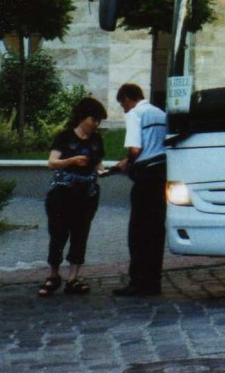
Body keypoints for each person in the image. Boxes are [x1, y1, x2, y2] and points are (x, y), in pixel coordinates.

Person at [38, 96, 107, 297]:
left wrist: (105, 172)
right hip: (63, 192)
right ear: (83, 118)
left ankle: (73, 278)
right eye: (93, 120)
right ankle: (53, 275)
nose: (96, 124)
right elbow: (52, 162)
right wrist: (72, 160)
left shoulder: (96, 140)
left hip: (86, 194)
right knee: (58, 232)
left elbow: (98, 164)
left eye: (98, 121)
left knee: (81, 233)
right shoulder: (65, 137)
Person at [110, 83, 167, 296]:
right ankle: (154, 280)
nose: (124, 110)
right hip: (162, 174)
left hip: (145, 176)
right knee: (156, 230)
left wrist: (126, 163)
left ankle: (138, 281)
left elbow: (135, 148)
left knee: (138, 231)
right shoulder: (160, 113)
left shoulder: (135, 114)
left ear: (127, 99)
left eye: (122, 104)